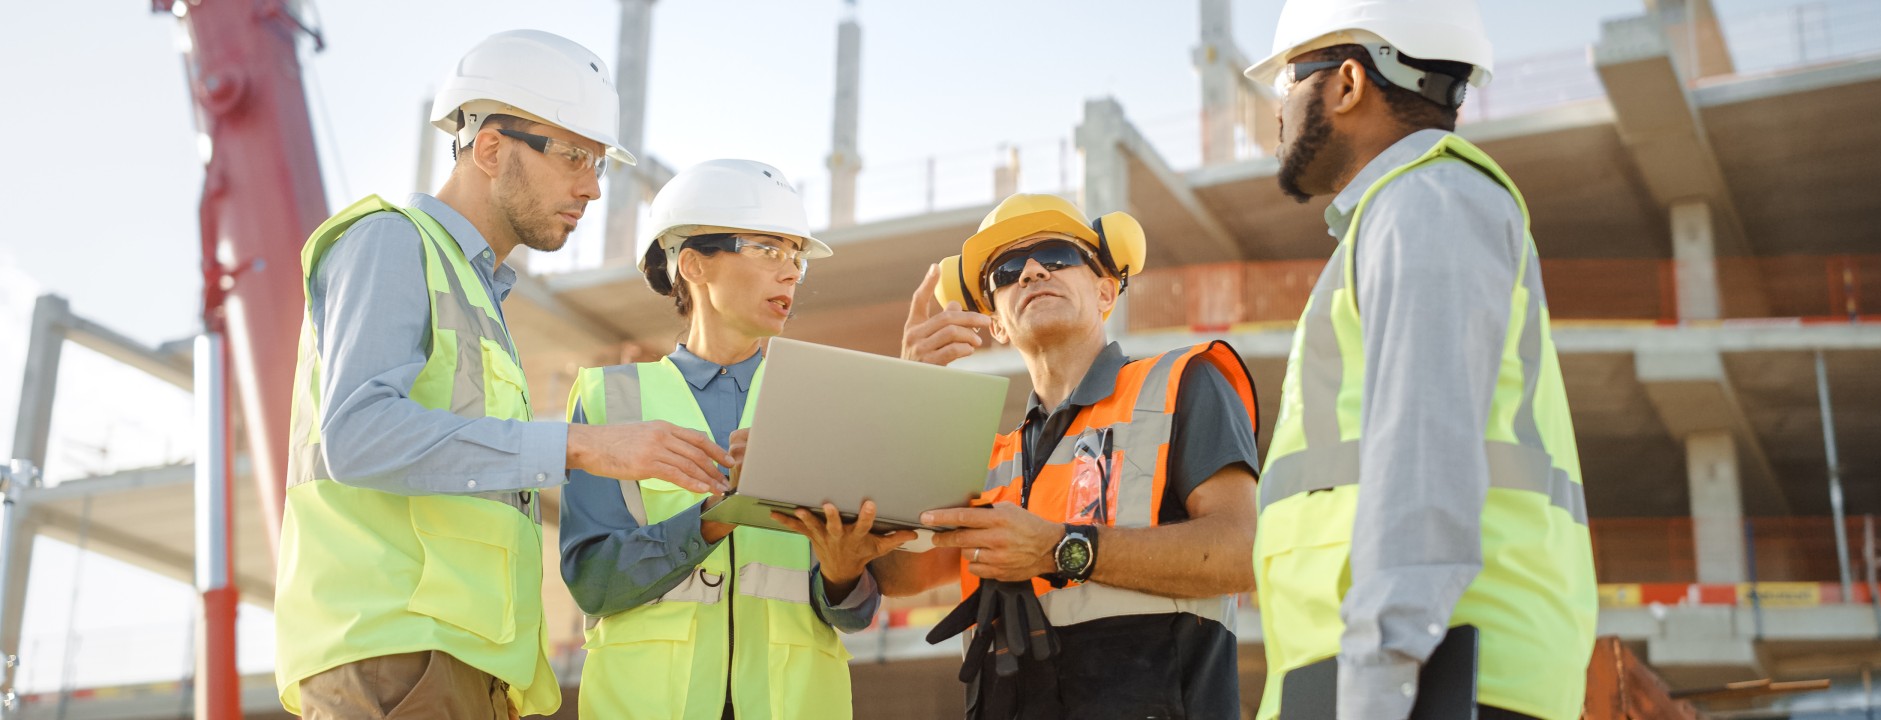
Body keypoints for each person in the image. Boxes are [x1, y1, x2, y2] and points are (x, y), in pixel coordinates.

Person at [273, 30, 736, 719]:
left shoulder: (476, 291)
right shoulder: (392, 242)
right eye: (576, 155)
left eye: (600, 163)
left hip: (462, 667)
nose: (592, 187)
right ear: (491, 148)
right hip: (396, 659)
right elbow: (358, 435)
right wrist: (579, 447)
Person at [1241, 1, 1598, 718]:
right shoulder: (1402, 211)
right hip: (1400, 676)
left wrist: (1377, 681)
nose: (1278, 112)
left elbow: (1423, 457)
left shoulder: (1425, 201)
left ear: (1346, 84)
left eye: (1289, 83)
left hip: (1430, 681)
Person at [880, 193, 1261, 719]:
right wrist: (906, 393)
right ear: (997, 326)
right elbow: (899, 576)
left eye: (1058, 256)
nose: (1033, 271)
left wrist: (1060, 550)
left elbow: (1244, 553)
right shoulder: (987, 457)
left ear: (1106, 290)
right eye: (1007, 271)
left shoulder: (1182, 384)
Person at [560, 159, 908, 720]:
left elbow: (854, 612)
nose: (791, 272)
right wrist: (715, 517)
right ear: (694, 265)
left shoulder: (825, 401)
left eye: (797, 257)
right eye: (769, 249)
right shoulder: (611, 400)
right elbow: (593, 583)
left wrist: (844, 571)